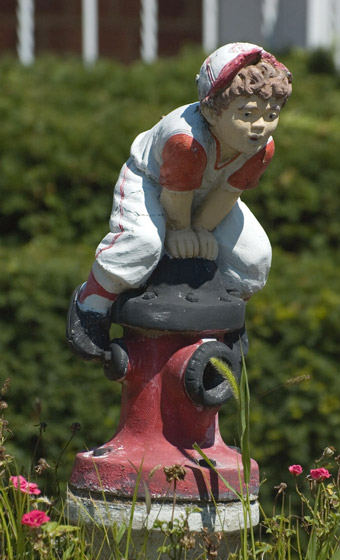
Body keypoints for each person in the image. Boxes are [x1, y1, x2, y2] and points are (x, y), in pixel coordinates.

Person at [67, 42, 292, 361]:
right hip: (152, 181)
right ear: (212, 110)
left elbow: (229, 192)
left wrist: (202, 230)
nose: (260, 125)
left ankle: (223, 317)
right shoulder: (186, 140)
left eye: (272, 114)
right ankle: (92, 304)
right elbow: (175, 196)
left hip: (209, 192)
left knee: (254, 257)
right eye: (247, 114)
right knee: (142, 243)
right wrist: (181, 231)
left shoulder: (261, 147)